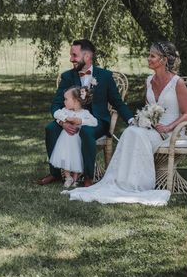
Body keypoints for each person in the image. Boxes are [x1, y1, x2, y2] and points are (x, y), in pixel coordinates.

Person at [66, 41, 187, 206]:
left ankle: (138, 184)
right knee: (131, 131)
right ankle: (123, 181)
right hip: (153, 128)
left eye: (152, 56)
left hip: (172, 131)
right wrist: (145, 120)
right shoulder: (149, 81)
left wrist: (168, 127)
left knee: (137, 134)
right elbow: (149, 108)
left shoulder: (177, 82)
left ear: (164, 59)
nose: (148, 58)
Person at [38, 39, 134, 187]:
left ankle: (88, 176)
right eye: (71, 55)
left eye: (74, 55)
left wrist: (131, 120)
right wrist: (62, 122)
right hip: (70, 118)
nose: (71, 59)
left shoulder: (105, 76)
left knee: (86, 132)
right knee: (50, 129)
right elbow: (56, 105)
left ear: (87, 56)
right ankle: (55, 173)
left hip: (96, 121)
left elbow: (118, 103)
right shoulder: (67, 76)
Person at [49, 86, 97, 188]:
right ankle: (68, 177)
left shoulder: (84, 113)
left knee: (76, 159)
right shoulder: (65, 111)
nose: (64, 101)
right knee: (65, 157)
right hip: (65, 141)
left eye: (66, 99)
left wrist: (81, 121)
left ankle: (75, 179)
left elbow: (94, 122)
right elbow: (57, 113)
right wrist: (65, 118)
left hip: (77, 141)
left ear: (75, 101)